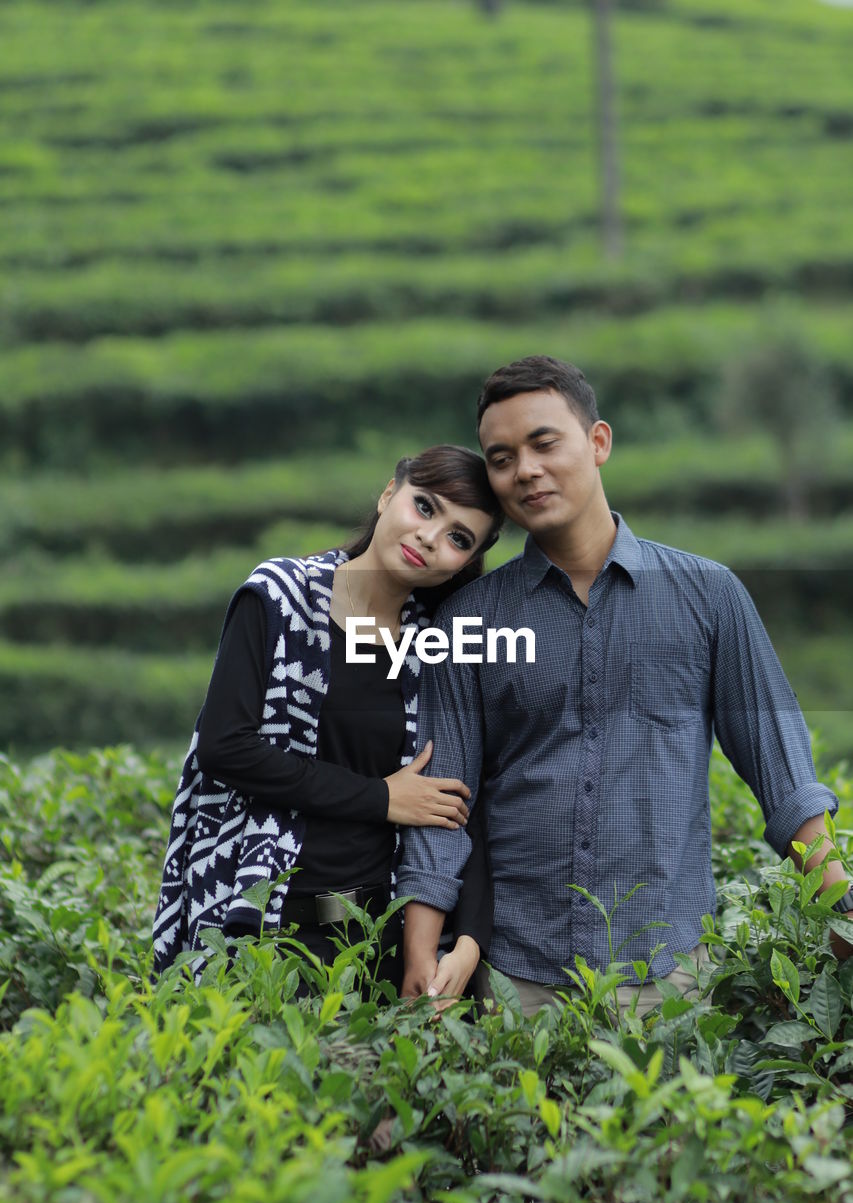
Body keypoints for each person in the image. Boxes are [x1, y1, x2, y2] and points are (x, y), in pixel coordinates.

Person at [398, 355, 846, 1018]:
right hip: (518, 981)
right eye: (501, 457)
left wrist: (841, 911)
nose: (525, 469)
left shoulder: (708, 595)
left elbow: (783, 774)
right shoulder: (467, 619)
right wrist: (422, 958)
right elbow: (442, 805)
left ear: (598, 441)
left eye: (544, 443)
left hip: (674, 979)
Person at [152, 445, 504, 995]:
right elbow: (225, 746)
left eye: (460, 538)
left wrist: (470, 938)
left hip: (373, 939)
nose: (431, 538)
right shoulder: (278, 597)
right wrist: (380, 798)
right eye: (425, 507)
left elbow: (458, 801)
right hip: (259, 925)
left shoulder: (435, 643)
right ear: (390, 493)